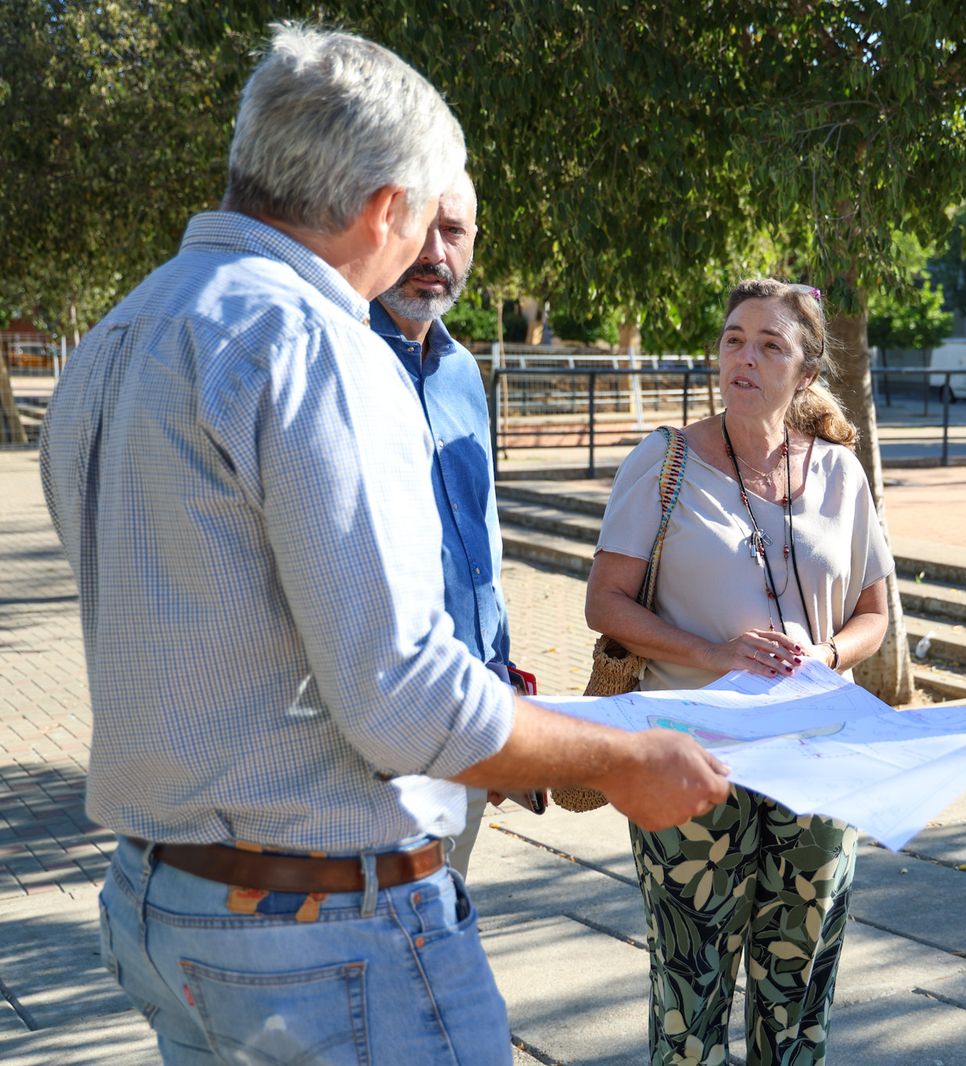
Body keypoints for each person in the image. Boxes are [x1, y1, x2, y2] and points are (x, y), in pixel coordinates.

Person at [39, 24, 728, 1065]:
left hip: (163, 902)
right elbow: (402, 696)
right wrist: (622, 758)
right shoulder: (317, 343)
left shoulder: (119, 334)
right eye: (422, 218)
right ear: (383, 209)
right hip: (325, 932)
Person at [586, 278, 892, 1065]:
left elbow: (874, 614)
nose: (744, 357)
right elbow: (605, 603)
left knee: (799, 995)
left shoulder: (841, 473)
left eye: (769, 345)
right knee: (690, 990)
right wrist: (713, 653)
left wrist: (826, 657)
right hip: (691, 756)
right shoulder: (665, 461)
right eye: (733, 340)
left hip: (816, 760)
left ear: (806, 371)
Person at [370, 170, 513, 880]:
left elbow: (480, 542)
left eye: (452, 231)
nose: (434, 252)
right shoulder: (337, 359)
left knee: (442, 910)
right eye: (418, 227)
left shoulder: (461, 373)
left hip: (468, 709)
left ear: (474, 242)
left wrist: (502, 683)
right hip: (375, 728)